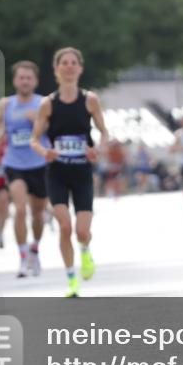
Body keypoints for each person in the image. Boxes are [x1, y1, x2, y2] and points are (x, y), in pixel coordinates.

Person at [30, 47, 108, 297]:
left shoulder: (90, 100)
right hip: (58, 173)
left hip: (82, 172)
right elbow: (34, 140)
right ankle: (72, 279)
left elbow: (104, 132)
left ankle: (85, 251)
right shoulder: (47, 104)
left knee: (82, 231)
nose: (69, 66)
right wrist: (46, 153)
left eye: (74, 62)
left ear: (80, 69)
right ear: (56, 70)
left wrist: (98, 150)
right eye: (64, 63)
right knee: (65, 227)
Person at [0, 61, 50, 276]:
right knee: (20, 209)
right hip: (14, 163)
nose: (25, 81)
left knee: (38, 212)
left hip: (39, 163)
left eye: (29, 78)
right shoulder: (5, 104)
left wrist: (39, 123)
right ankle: (23, 256)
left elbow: (55, 129)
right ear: (15, 80)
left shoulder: (43, 103)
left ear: (35, 81)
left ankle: (35, 249)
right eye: (21, 77)